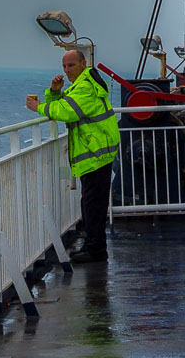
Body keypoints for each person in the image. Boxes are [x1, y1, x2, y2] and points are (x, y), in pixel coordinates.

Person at [25, 46, 119, 262]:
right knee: (91, 202)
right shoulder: (83, 84)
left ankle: (96, 250)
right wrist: (54, 92)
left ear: (83, 64)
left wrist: (38, 107)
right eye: (64, 66)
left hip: (95, 153)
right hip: (96, 152)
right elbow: (64, 105)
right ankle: (93, 246)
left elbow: (68, 112)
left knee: (93, 204)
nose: (67, 70)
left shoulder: (85, 87)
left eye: (71, 65)